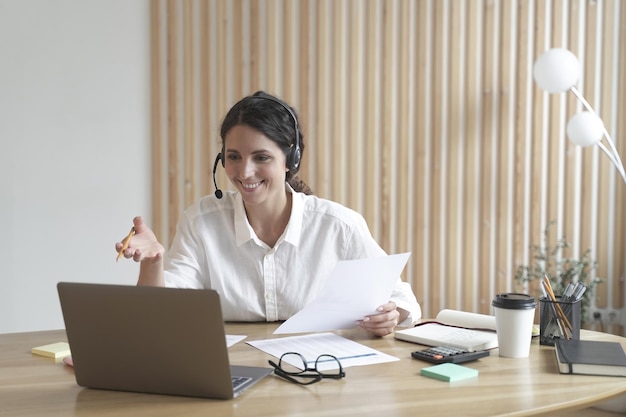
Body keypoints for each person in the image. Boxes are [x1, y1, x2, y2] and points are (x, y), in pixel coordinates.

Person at [116, 90, 421, 336]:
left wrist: (391, 314)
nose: (245, 172)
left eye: (261, 157)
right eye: (233, 157)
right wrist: (154, 262)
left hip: (321, 376)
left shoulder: (338, 226)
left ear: (291, 160)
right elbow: (158, 315)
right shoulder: (202, 222)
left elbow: (403, 299)